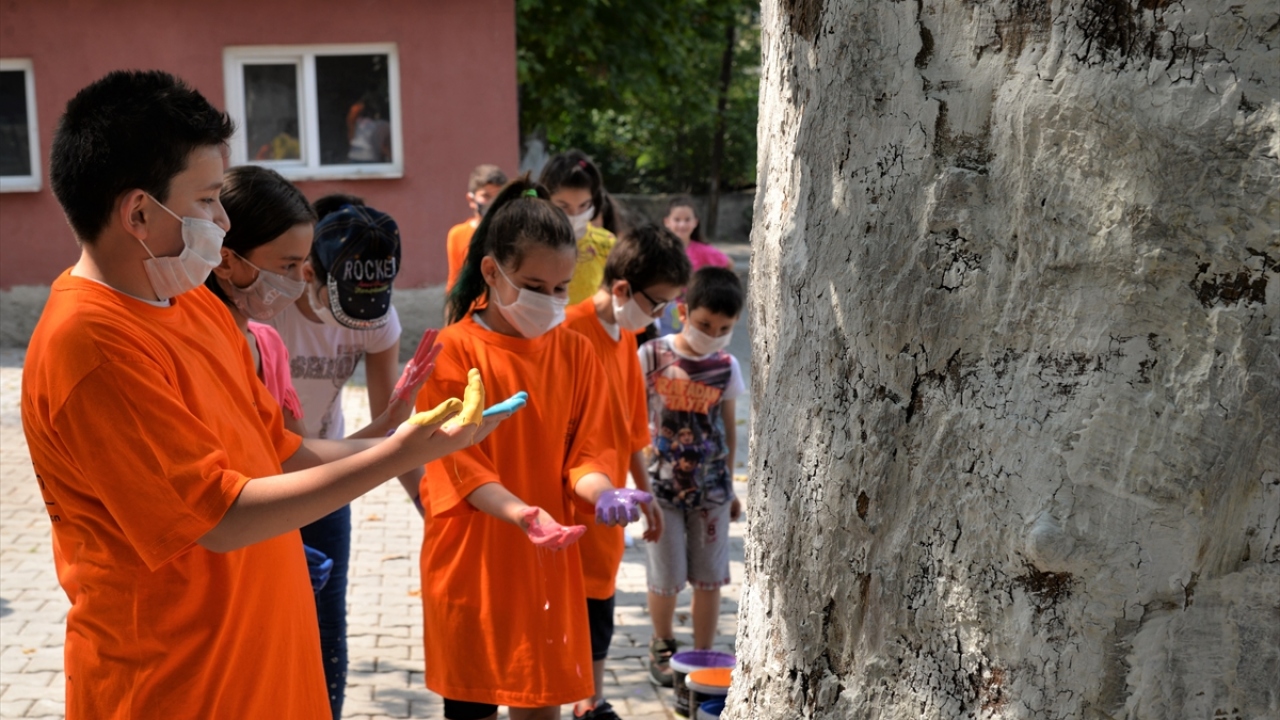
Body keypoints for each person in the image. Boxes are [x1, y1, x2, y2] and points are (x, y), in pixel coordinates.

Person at [21, 69, 511, 718]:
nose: (223, 222)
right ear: (138, 212)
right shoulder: (92, 346)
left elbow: (281, 452)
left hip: (266, 670)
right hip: (180, 690)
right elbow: (222, 519)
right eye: (206, 201)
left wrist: (411, 438)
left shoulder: (192, 305)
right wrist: (399, 455)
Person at [421, 177, 651, 720]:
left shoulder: (576, 352)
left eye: (560, 288)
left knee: (541, 707)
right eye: (533, 285)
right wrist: (522, 514)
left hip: (547, 564)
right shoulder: (451, 351)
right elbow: (460, 465)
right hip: (474, 563)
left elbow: (587, 455)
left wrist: (604, 493)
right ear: (491, 271)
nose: (549, 301)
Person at [261, 197, 421, 718]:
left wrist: (429, 503)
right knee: (266, 620)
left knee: (327, 623)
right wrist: (391, 438)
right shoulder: (269, 311)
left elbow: (387, 425)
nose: (356, 319)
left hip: (326, 471)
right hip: (259, 478)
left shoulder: (376, 318)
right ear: (309, 271)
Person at [562, 223, 691, 718]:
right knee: (565, 618)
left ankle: (590, 704)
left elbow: (631, 427)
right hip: (569, 505)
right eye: (657, 304)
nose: (660, 317)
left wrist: (646, 490)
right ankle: (576, 701)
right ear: (621, 289)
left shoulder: (626, 335)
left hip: (609, 509)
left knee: (599, 611)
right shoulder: (569, 332)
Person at [638, 266, 746, 687]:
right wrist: (637, 487)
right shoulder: (651, 355)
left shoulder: (727, 365)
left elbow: (729, 429)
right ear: (682, 312)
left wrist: (730, 486)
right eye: (704, 324)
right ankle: (662, 644)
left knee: (709, 577)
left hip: (711, 491)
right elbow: (632, 419)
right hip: (660, 488)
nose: (712, 334)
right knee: (665, 576)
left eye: (724, 329)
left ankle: (704, 653)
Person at [539, 150, 617, 305]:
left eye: (583, 205)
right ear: (545, 200)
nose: (574, 215)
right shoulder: (531, 243)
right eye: (563, 206)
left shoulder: (607, 243)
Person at [446, 164, 508, 292]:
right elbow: (454, 281)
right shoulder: (457, 234)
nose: (492, 203)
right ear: (471, 199)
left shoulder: (511, 232)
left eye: (498, 197)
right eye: (486, 196)